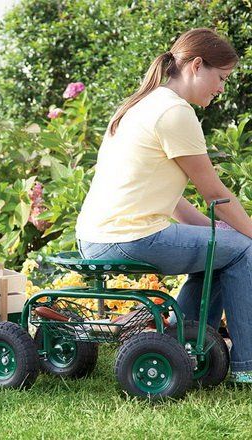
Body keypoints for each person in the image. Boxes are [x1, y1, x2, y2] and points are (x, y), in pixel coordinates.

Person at [75, 28, 252, 383]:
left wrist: (218, 229)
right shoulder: (175, 112)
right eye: (220, 78)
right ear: (196, 66)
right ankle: (246, 367)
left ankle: (180, 347)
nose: (221, 88)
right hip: (128, 236)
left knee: (224, 247)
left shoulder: (145, 103)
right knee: (243, 250)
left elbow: (174, 201)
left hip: (100, 234)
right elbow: (214, 192)